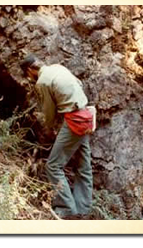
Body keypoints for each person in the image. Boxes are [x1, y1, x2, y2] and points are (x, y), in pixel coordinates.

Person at [20, 54, 93, 219]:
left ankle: (67, 209)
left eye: (27, 74)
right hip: (86, 116)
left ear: (30, 70)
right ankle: (83, 209)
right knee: (84, 165)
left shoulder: (42, 82)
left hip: (74, 121)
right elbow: (79, 83)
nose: (29, 78)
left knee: (52, 166)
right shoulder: (58, 67)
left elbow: (49, 112)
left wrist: (48, 128)